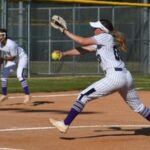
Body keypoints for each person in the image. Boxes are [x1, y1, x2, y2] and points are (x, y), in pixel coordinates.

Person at [49, 19, 150, 133]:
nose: (94, 30)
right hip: (126, 76)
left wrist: (65, 31)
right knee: (138, 107)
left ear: (102, 30)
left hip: (115, 76)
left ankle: (65, 124)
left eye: (96, 28)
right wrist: (64, 53)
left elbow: (82, 41)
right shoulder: (104, 41)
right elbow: (83, 49)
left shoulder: (105, 37)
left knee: (83, 96)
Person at [0, 28, 31, 104]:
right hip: (11, 58)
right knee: (4, 76)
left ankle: (27, 95)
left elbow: (13, 57)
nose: (0, 37)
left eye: (1, 35)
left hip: (21, 57)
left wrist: (3, 58)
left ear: (4, 36)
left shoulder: (11, 44)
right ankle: (4, 95)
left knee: (19, 75)